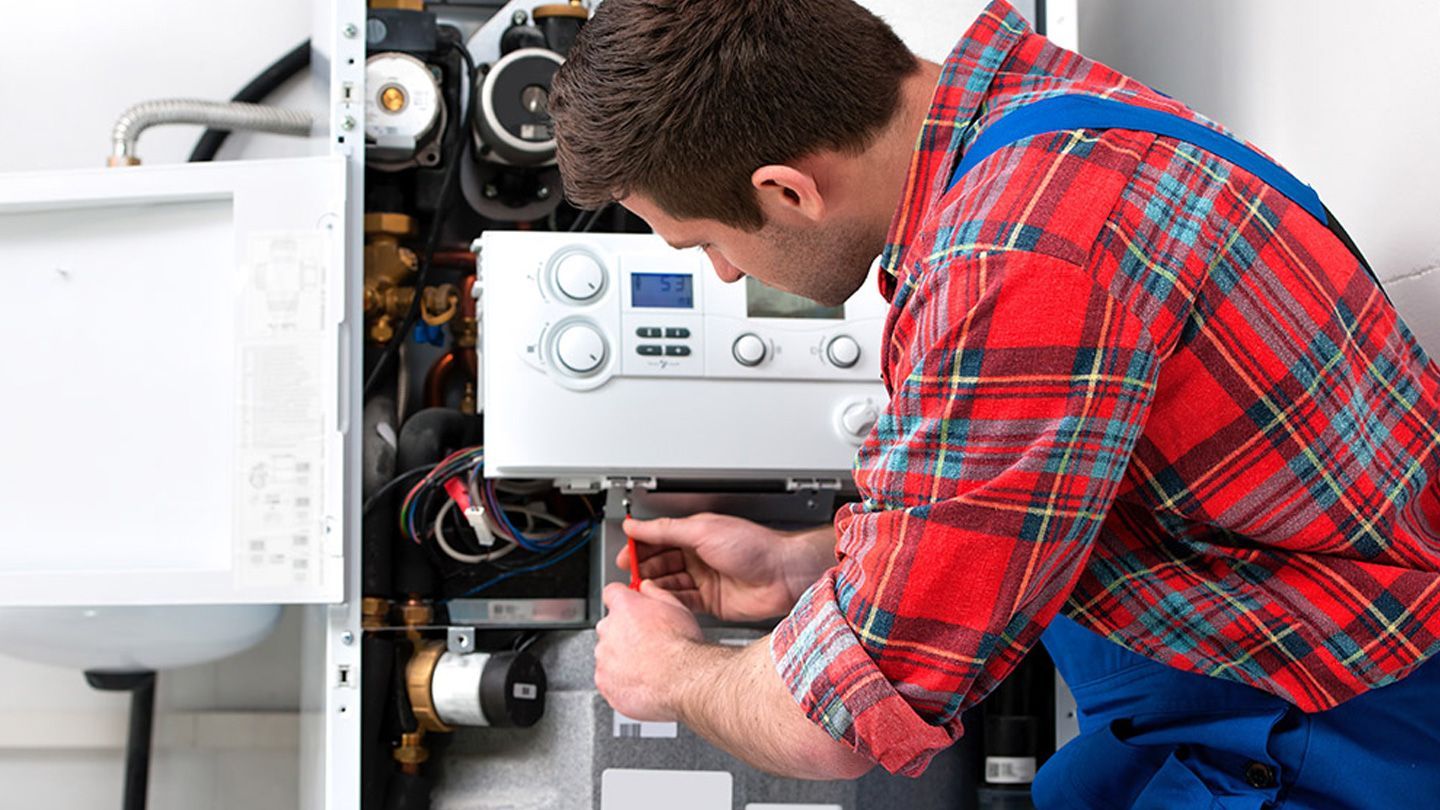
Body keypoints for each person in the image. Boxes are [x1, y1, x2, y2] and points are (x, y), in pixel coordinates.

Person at [548, 1, 1440, 805]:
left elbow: (838, 723)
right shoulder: (1033, 115)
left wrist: (668, 671)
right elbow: (1048, 492)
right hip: (1261, 642)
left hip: (1337, 721)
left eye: (705, 241)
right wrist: (807, 566)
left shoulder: (1014, 265)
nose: (727, 273)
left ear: (789, 190)